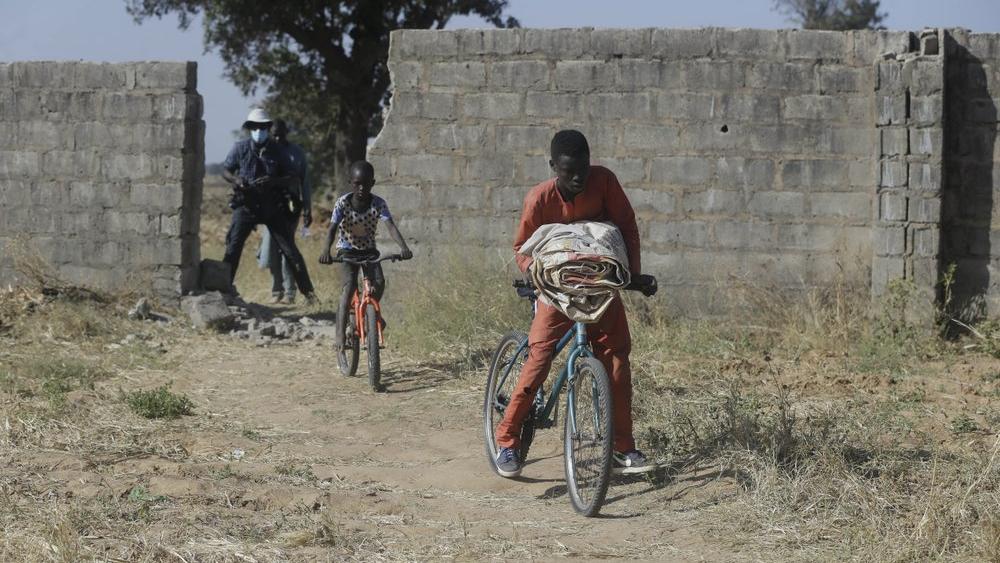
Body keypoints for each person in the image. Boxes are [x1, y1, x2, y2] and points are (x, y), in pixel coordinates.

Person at [494, 129, 654, 478]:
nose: (578, 177)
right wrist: (535, 275)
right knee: (539, 358)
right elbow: (522, 248)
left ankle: (623, 448)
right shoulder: (539, 199)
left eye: (583, 167)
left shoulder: (605, 182)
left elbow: (627, 227)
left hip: (597, 286)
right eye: (569, 171)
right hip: (555, 291)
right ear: (554, 167)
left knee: (616, 360)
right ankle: (506, 438)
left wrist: (633, 274)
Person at [221, 108, 317, 303]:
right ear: (249, 129)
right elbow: (226, 170)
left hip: (272, 207)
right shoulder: (240, 148)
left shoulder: (278, 151)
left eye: (262, 127)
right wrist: (237, 180)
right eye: (255, 127)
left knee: (290, 251)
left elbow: (292, 176)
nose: (259, 131)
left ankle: (309, 294)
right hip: (246, 206)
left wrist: (273, 181)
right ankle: (224, 291)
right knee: (233, 247)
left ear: (267, 128)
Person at [318, 161, 413, 351]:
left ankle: (372, 315)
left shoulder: (378, 203)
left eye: (366, 184)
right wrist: (325, 251)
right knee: (349, 287)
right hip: (347, 250)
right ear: (351, 183)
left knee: (378, 282)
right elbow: (332, 229)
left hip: (369, 250)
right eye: (357, 184)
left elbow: (391, 227)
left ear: (373, 183)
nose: (361, 188)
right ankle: (339, 335)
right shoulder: (342, 203)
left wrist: (403, 247)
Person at [257, 119, 312, 304]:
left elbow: (304, 182)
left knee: (287, 249)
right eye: (275, 134)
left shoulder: (296, 153)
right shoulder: (266, 151)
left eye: (281, 133)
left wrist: (307, 209)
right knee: (270, 249)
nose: (278, 137)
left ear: (287, 132)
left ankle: (290, 292)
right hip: (269, 207)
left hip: (291, 208)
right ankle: (276, 290)